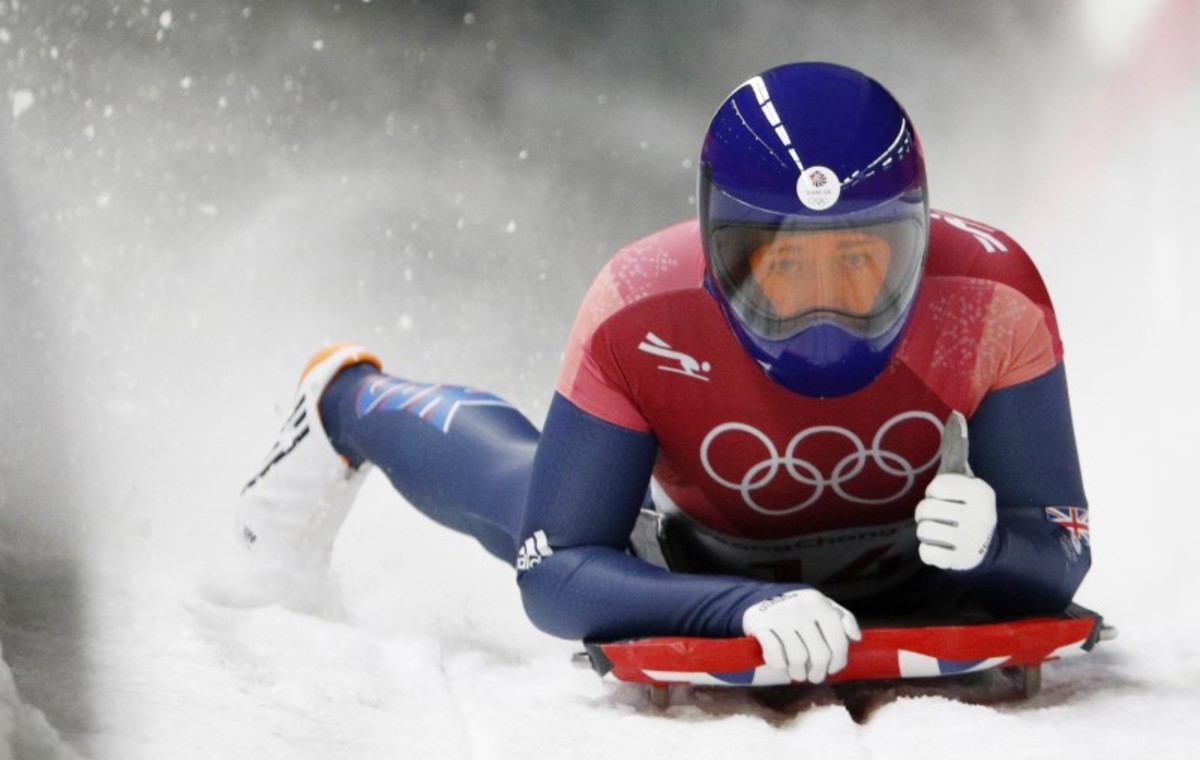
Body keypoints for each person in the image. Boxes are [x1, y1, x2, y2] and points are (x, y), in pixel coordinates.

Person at [236, 62, 1091, 685]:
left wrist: (992, 543)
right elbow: (554, 570)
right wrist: (736, 607)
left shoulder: (993, 295)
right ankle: (344, 398)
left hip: (885, 555)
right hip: (692, 547)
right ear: (721, 254)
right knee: (524, 492)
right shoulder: (638, 307)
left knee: (535, 496)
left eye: (860, 263)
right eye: (787, 268)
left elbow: (1063, 546)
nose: (825, 311)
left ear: (919, 241)